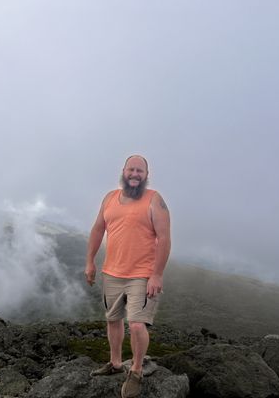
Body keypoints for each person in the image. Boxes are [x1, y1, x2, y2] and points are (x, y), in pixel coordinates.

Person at [84, 155, 171, 398]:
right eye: (131, 169)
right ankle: (115, 363)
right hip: (112, 272)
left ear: (146, 174)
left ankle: (136, 370)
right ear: (123, 171)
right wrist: (90, 261)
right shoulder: (110, 198)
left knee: (135, 323)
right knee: (113, 320)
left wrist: (157, 275)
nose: (135, 174)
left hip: (142, 274)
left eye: (140, 171)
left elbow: (164, 238)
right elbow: (98, 229)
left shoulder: (154, 200)